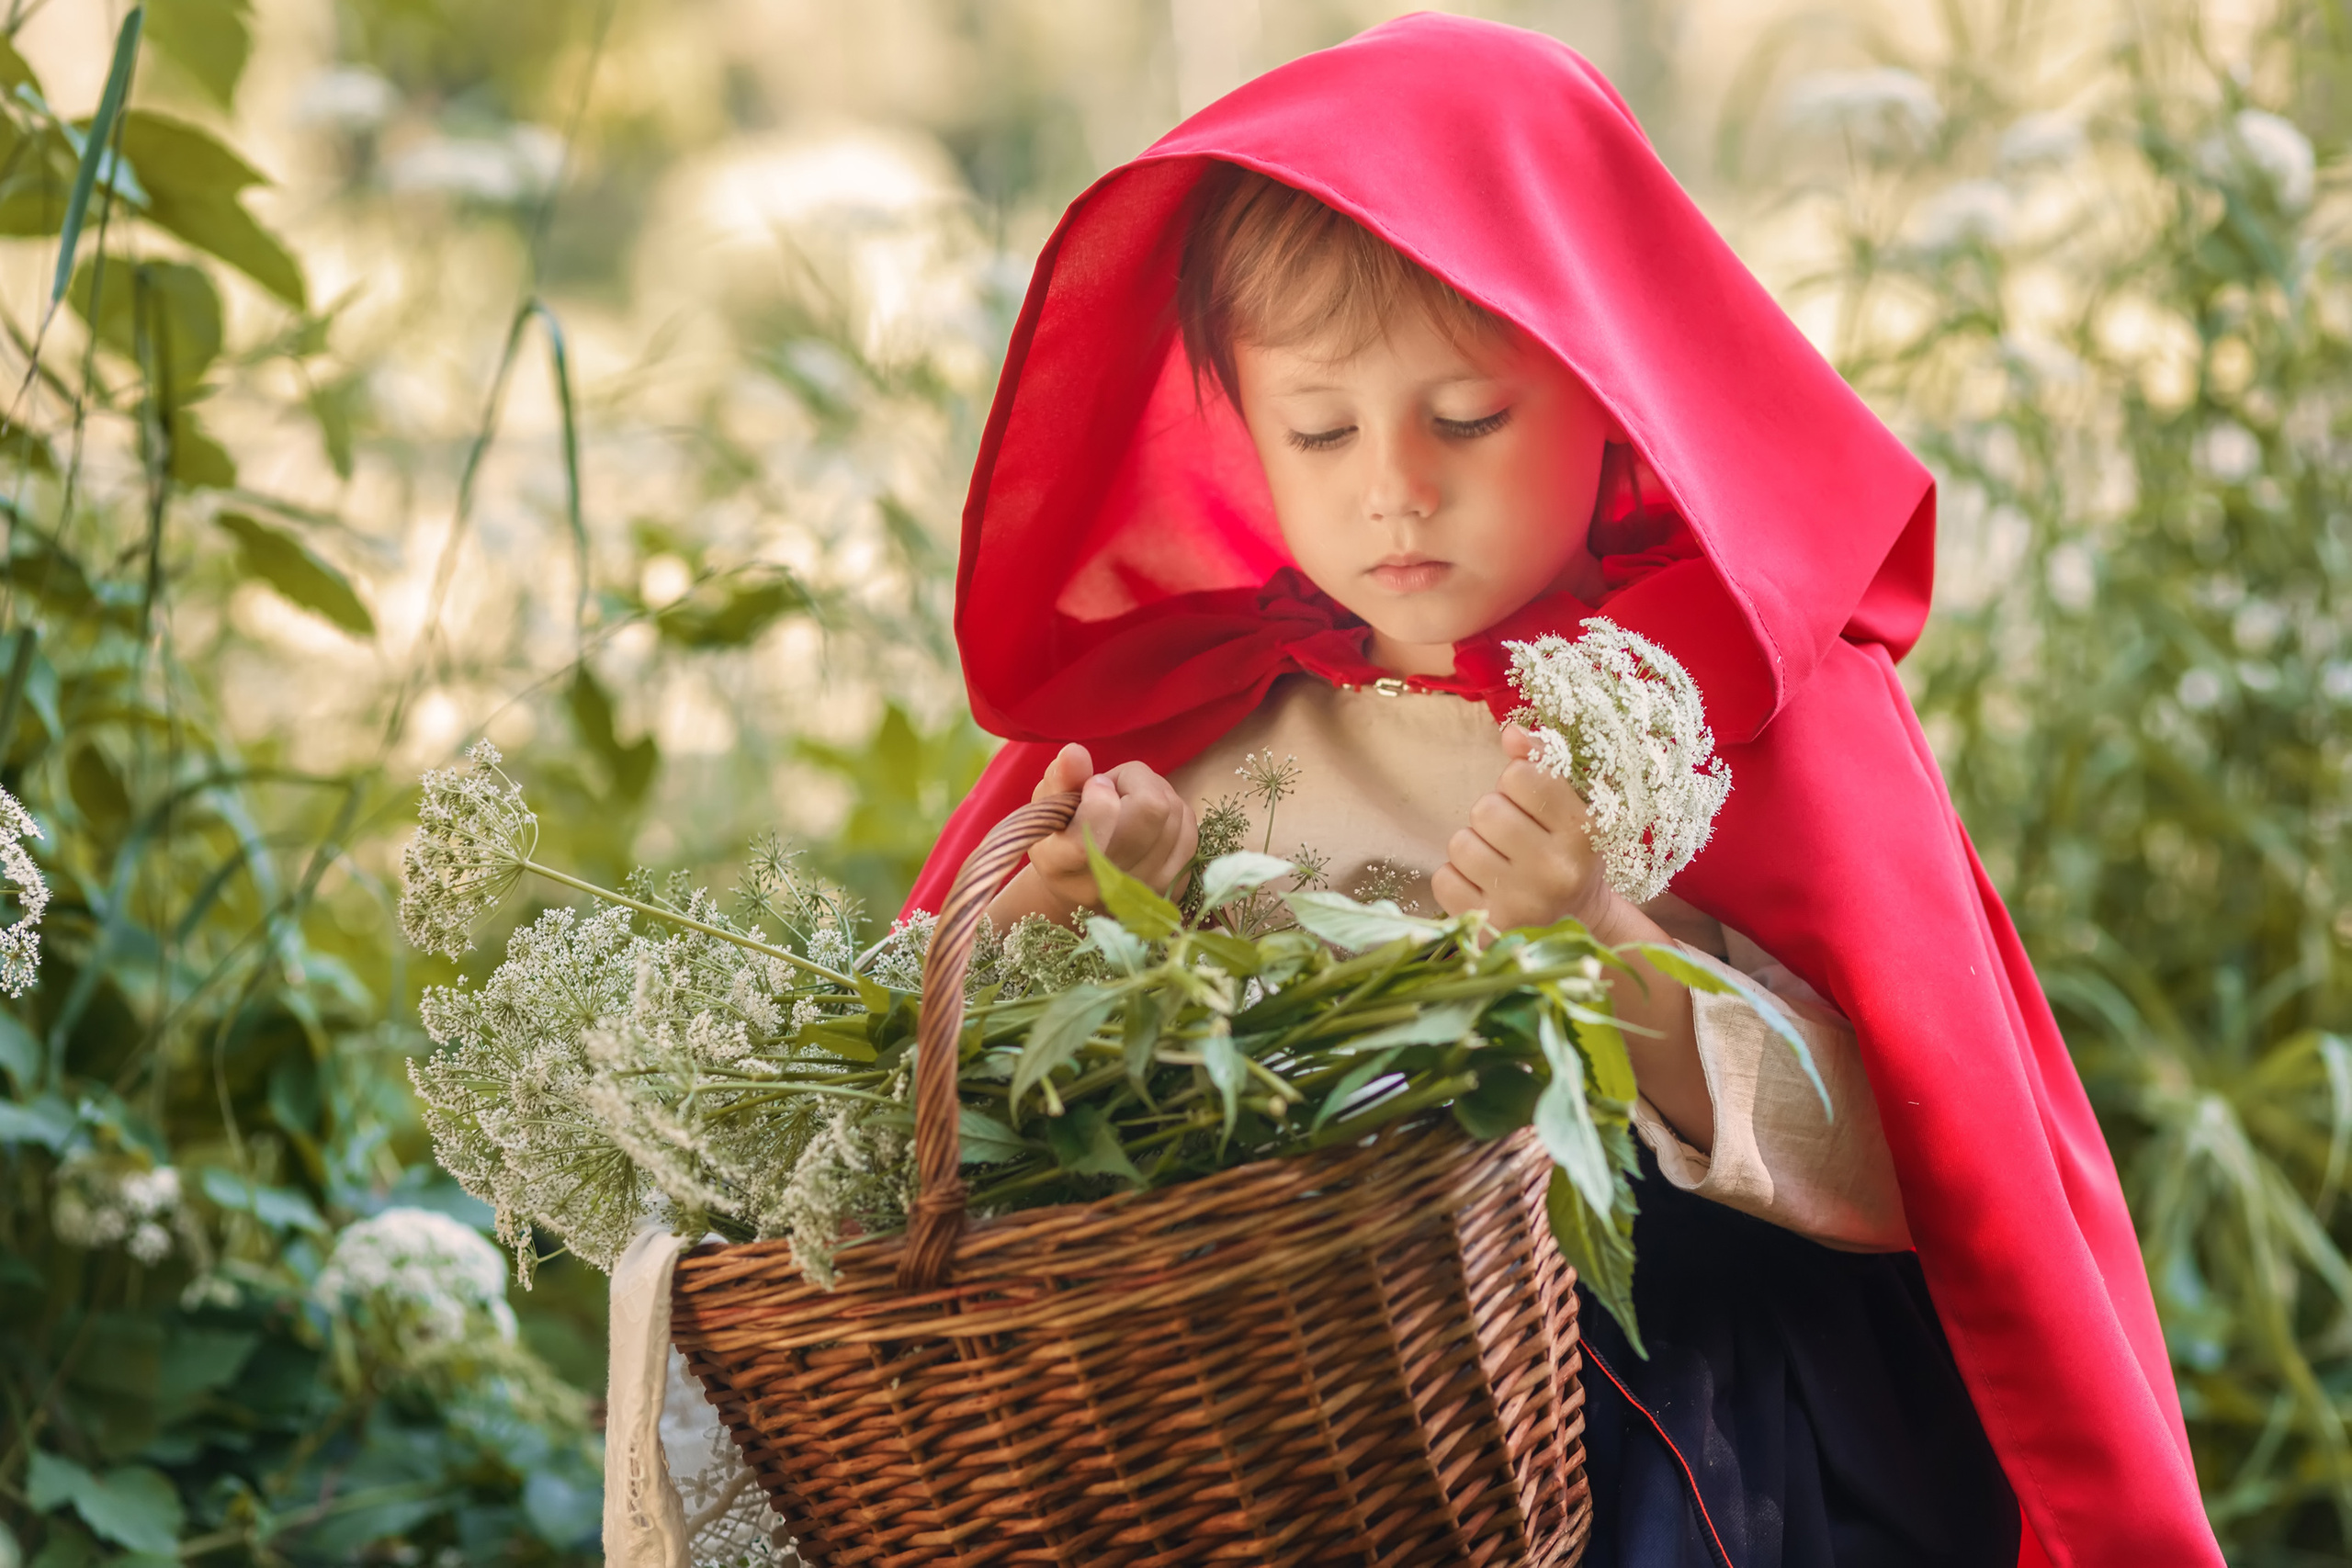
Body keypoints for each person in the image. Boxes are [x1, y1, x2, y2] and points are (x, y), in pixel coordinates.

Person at [903, 15, 2220, 1566]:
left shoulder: (1721, 701)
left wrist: (1604, 941)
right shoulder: (1197, 724)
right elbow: (971, 1130)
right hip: (1264, 1429)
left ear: (1607, 389)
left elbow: (1907, 1151)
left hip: (1641, 1412)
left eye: (1465, 416)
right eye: (1318, 428)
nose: (1395, 483)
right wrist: (1077, 927)